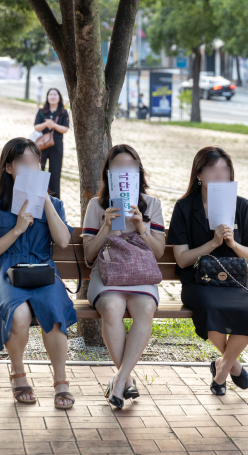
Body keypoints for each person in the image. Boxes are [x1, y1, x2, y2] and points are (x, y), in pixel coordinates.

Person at [0, 137, 77, 409]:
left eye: (36, 163)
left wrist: (45, 204)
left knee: (54, 311)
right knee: (18, 314)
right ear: (9, 168)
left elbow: (64, 241)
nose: (31, 168)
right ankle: (18, 374)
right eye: (23, 163)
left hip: (43, 271)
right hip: (7, 273)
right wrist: (17, 229)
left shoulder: (54, 203)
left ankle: (61, 381)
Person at [167, 146, 248, 396]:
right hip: (199, 282)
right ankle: (234, 365)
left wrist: (232, 243)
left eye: (225, 170)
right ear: (199, 174)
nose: (219, 175)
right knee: (210, 310)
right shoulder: (185, 207)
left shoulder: (241, 206)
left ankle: (221, 370)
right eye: (212, 169)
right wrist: (212, 243)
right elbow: (182, 259)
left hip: (236, 281)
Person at [81, 144, 166, 409]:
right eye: (118, 165)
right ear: (108, 172)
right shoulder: (97, 205)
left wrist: (141, 227)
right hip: (107, 274)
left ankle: (119, 381)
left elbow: (160, 252)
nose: (125, 169)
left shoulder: (152, 204)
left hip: (141, 274)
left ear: (138, 171)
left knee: (145, 309)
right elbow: (89, 256)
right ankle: (125, 380)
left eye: (130, 164)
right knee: (111, 306)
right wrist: (106, 226)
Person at [34, 88, 69, 199]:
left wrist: (54, 125)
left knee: (55, 173)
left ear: (59, 97)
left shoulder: (63, 112)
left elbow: (65, 129)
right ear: (47, 97)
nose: (53, 97)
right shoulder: (41, 111)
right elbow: (36, 126)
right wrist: (46, 124)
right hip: (42, 145)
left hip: (57, 146)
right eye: (50, 95)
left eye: (55, 95)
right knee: (39, 170)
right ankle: (37, 195)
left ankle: (54, 199)